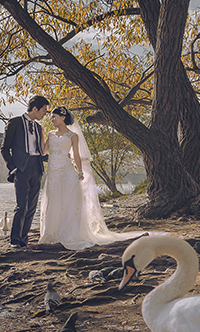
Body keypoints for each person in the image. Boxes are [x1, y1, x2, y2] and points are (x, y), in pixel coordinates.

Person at [38, 107, 143, 250]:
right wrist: (42, 135)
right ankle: (51, 233)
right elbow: (44, 151)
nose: (51, 120)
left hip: (67, 172)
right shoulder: (50, 134)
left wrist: (80, 171)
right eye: (50, 117)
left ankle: (68, 233)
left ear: (63, 117)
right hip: (53, 173)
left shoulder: (73, 136)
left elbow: (75, 155)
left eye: (54, 117)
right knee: (53, 201)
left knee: (68, 202)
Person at [1, 95, 50, 247]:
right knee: (21, 206)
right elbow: (4, 148)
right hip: (21, 169)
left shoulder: (38, 127)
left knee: (32, 207)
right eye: (44, 110)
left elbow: (40, 151)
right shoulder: (15, 123)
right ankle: (15, 241)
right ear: (35, 108)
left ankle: (24, 239)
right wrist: (13, 168)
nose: (45, 114)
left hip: (37, 167)